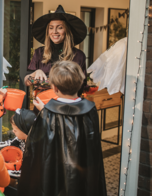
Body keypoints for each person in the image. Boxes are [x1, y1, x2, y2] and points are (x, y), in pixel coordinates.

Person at [18, 61, 107, 196]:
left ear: (54, 88)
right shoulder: (90, 110)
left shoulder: (48, 113)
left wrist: (44, 112)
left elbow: (38, 149)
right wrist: (46, 111)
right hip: (83, 173)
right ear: (79, 83)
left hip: (55, 176)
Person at [24, 5, 88, 115]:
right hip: (41, 108)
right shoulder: (39, 53)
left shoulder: (78, 56)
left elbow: (81, 87)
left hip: (67, 110)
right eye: (51, 27)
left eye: (60, 27)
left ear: (66, 30)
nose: (55, 32)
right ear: (48, 31)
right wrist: (36, 73)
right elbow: (26, 81)